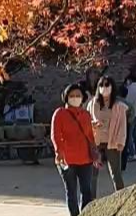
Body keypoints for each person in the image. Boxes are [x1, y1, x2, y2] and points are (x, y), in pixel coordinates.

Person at [52, 83, 96, 216]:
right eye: (72, 96)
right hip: (67, 159)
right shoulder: (60, 113)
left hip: (85, 159)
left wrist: (95, 151)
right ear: (66, 97)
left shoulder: (86, 115)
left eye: (78, 95)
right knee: (71, 191)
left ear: (83, 98)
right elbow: (55, 134)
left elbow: (89, 136)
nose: (75, 98)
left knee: (87, 190)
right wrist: (58, 150)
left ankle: (85, 213)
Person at [88, 75, 126, 195]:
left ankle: (121, 197)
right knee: (92, 173)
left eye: (107, 85)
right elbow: (86, 119)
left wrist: (121, 142)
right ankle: (90, 200)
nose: (104, 88)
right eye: (101, 85)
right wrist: (93, 124)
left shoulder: (118, 106)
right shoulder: (93, 103)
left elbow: (122, 125)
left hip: (112, 141)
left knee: (116, 172)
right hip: (96, 140)